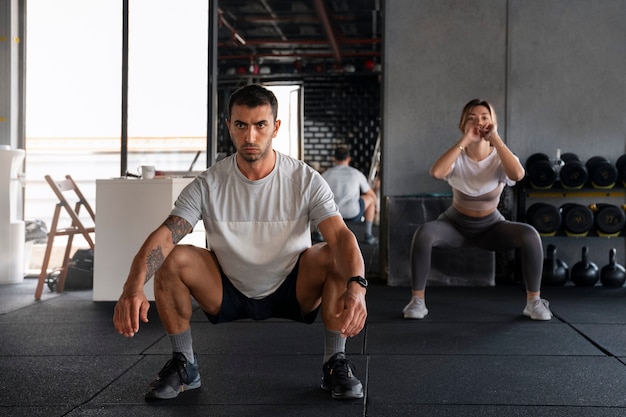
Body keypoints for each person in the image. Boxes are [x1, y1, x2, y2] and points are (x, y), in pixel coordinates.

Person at [113, 84, 368, 401]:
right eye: (241, 125)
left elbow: (342, 236)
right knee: (172, 258)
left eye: (260, 125)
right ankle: (185, 364)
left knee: (333, 253)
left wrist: (357, 287)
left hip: (293, 286)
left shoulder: (304, 179)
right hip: (227, 287)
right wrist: (132, 286)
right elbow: (166, 234)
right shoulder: (209, 183)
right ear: (229, 126)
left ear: (275, 127)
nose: (250, 137)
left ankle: (335, 363)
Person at [402, 99, 552, 321]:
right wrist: (466, 139)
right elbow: (436, 172)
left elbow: (518, 175)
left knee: (530, 234)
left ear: (493, 123)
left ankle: (534, 302)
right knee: (424, 233)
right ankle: (417, 301)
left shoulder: (500, 157)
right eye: (472, 118)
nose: (479, 122)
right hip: (454, 225)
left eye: (484, 117)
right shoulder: (457, 156)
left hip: (492, 227)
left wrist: (495, 138)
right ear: (463, 124)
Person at [322, 145, 379, 245]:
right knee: (370, 198)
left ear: (334, 158)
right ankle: (368, 235)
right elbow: (372, 195)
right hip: (353, 213)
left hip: (332, 214)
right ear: (348, 159)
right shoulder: (356, 173)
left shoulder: (326, 174)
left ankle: (318, 232)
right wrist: (376, 209)